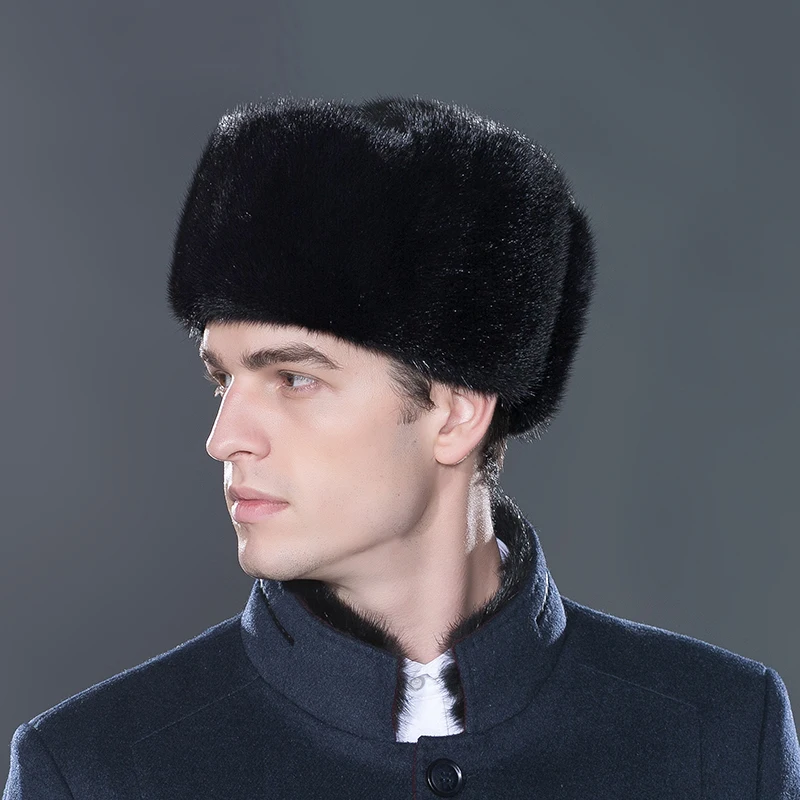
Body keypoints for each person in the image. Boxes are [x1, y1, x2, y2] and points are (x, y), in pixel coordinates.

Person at [4, 95, 799, 799]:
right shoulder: (93, 769)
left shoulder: (720, 735)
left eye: (294, 379)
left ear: (456, 411)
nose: (224, 438)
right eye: (223, 381)